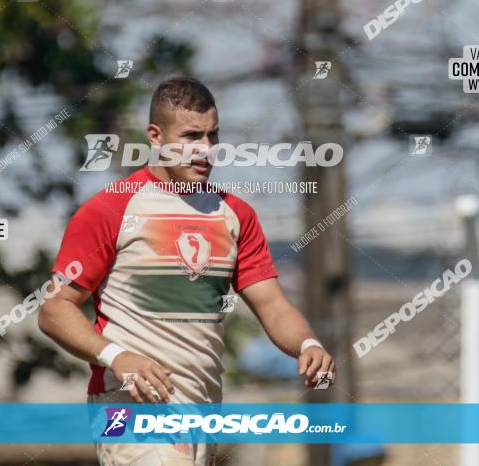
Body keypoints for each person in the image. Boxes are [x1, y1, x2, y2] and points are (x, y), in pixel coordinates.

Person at [39, 76, 335, 465]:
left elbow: (273, 306)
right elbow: (54, 309)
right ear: (155, 137)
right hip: (131, 408)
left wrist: (308, 344)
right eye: (192, 136)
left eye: (213, 136)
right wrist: (117, 357)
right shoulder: (110, 210)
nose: (206, 150)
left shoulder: (235, 215)